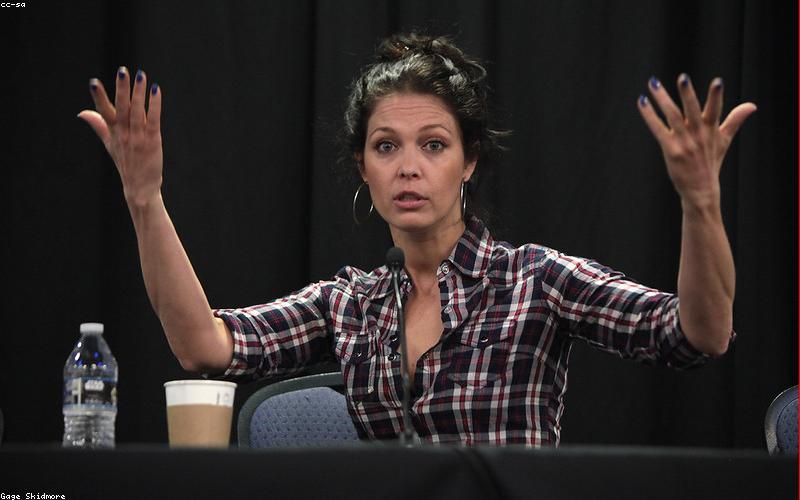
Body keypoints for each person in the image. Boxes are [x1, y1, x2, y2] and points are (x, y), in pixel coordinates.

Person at [78, 33, 756, 446]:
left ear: (468, 163)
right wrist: (144, 198)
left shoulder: (534, 281)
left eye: (433, 145)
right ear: (362, 169)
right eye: (385, 146)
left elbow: (699, 333)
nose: (408, 166)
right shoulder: (348, 304)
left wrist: (700, 200)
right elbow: (204, 346)